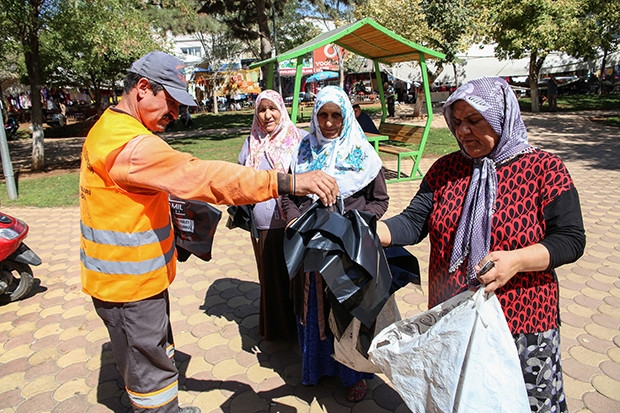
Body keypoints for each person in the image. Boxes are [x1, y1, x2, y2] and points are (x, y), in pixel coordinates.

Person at [79, 51, 339, 413]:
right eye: (169, 102)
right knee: (148, 375)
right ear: (142, 89)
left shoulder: (111, 126)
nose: (175, 113)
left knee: (155, 352)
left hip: (131, 279)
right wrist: (289, 182)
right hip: (127, 288)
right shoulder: (132, 146)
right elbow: (205, 177)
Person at [376, 76, 585, 413]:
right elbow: (414, 222)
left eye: (474, 121)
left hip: (522, 317)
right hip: (456, 317)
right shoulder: (446, 169)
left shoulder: (544, 169)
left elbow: (571, 239)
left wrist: (516, 261)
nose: (463, 132)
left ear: (502, 117)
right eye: (457, 122)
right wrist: (369, 233)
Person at [282, 86, 389, 403]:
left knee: (348, 311)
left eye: (336, 115)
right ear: (314, 116)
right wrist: (293, 219)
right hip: (312, 249)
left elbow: (379, 202)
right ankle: (316, 368)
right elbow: (288, 194)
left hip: (348, 252)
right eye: (322, 115)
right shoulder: (303, 150)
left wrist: (353, 225)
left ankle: (354, 374)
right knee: (314, 308)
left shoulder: (362, 152)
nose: (329, 122)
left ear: (346, 116)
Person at [237, 89, 305, 341]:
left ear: (282, 110)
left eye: (272, 109)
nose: (267, 115)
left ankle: (302, 333)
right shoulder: (251, 143)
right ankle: (278, 332)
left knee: (298, 280)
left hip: (296, 222)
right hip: (264, 225)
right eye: (261, 110)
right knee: (272, 280)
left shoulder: (299, 139)